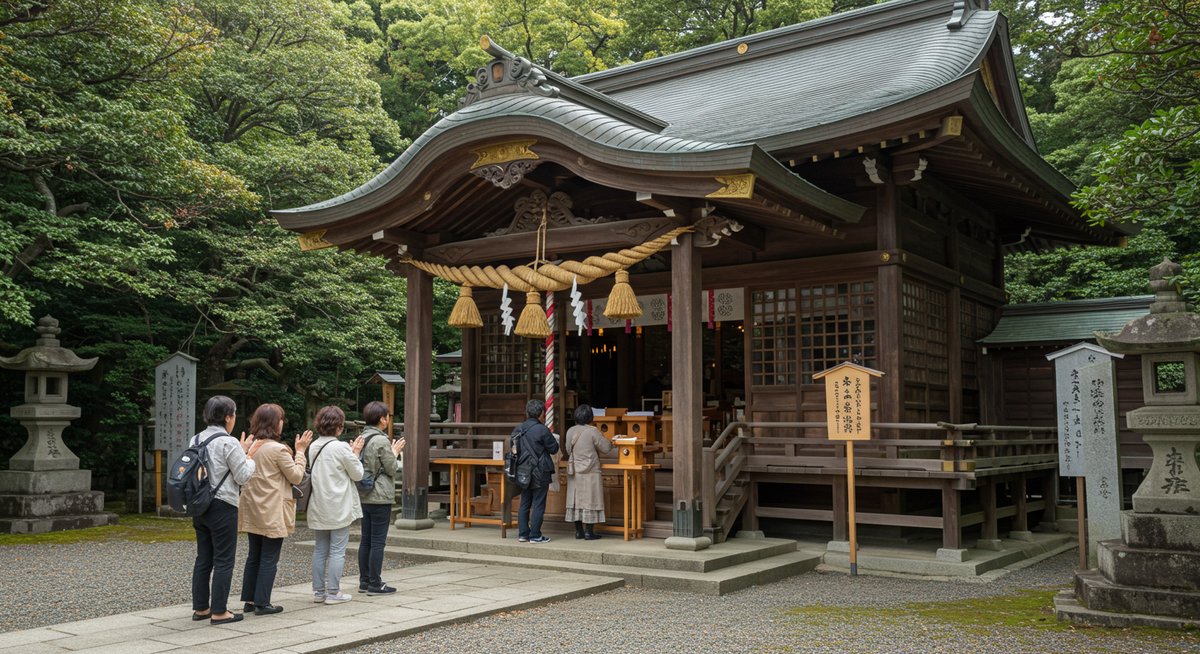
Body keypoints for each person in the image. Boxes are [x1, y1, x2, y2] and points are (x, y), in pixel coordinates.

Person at [190, 395, 263, 625]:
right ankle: (220, 611)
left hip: (199, 504)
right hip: (223, 505)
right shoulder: (228, 442)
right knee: (224, 559)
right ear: (229, 417)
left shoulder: (196, 438)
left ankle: (201, 608)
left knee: (204, 557)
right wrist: (249, 457)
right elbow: (243, 475)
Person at [237, 403, 312, 616]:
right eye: (280, 419)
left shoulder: (251, 447)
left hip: (252, 507)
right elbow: (296, 476)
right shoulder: (278, 449)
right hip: (271, 509)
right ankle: (262, 602)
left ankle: (250, 600)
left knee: (254, 555)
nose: (282, 423)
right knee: (269, 557)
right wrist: (300, 452)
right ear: (274, 423)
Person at [305, 405, 365, 604]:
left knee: (320, 549)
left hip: (318, 503)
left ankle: (318, 592)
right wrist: (356, 453)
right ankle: (333, 592)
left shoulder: (314, 446)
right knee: (337, 550)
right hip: (338, 504)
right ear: (338, 426)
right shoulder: (341, 447)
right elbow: (358, 474)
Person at [356, 401, 405, 595]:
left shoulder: (361, 437)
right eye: (387, 417)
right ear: (382, 419)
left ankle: (364, 581)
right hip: (380, 495)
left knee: (365, 540)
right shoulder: (381, 440)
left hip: (363, 493)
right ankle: (375, 584)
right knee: (377, 542)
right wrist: (395, 453)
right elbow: (392, 469)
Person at [563, 404, 615, 540]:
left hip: (575, 470)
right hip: (590, 470)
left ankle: (578, 531)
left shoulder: (570, 431)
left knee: (576, 501)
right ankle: (589, 532)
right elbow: (606, 448)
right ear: (591, 417)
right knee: (591, 500)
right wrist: (613, 441)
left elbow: (568, 449)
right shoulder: (593, 431)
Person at [513, 399, 559, 543]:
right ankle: (535, 535)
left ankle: (523, 534)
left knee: (524, 502)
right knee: (538, 503)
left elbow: (514, 450)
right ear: (541, 413)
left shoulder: (518, 429)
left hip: (523, 471)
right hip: (540, 471)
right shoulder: (542, 429)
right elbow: (554, 449)